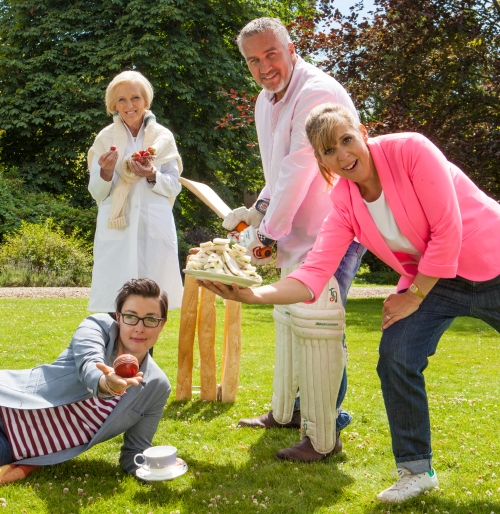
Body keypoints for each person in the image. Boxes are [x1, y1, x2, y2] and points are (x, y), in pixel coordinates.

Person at [201, 103, 500, 502]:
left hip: (488, 259)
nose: (342, 155)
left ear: (361, 131)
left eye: (346, 140)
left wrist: (412, 296)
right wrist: (252, 295)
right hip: (435, 281)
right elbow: (313, 274)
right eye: (328, 151)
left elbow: (449, 229)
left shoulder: (411, 149)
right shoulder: (343, 202)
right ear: (320, 159)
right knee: (397, 356)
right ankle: (415, 469)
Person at [222, 17, 365, 462]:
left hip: (336, 226)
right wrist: (256, 214)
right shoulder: (266, 100)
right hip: (296, 230)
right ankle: (288, 412)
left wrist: (264, 233)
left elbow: (301, 168)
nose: (264, 67)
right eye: (253, 61)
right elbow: (276, 173)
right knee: (289, 322)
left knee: (320, 325)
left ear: (291, 48)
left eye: (271, 55)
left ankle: (327, 430)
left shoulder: (315, 92)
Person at [0, 278, 171, 484]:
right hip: (6, 408)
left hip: (13, 447)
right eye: (130, 317)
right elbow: (88, 364)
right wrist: (106, 383)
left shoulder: (157, 387)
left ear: (162, 324)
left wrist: (155, 470)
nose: (139, 328)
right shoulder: (97, 327)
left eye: (150, 320)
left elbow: (135, 452)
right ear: (118, 317)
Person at [87, 70, 183, 313]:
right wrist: (106, 172)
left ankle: (145, 352)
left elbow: (174, 185)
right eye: (121, 99)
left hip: (153, 231)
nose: (129, 105)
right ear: (113, 105)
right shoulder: (104, 139)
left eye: (135, 98)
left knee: (151, 308)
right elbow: (97, 193)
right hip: (117, 231)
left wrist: (152, 175)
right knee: (114, 307)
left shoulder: (162, 138)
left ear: (146, 100)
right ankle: (115, 352)